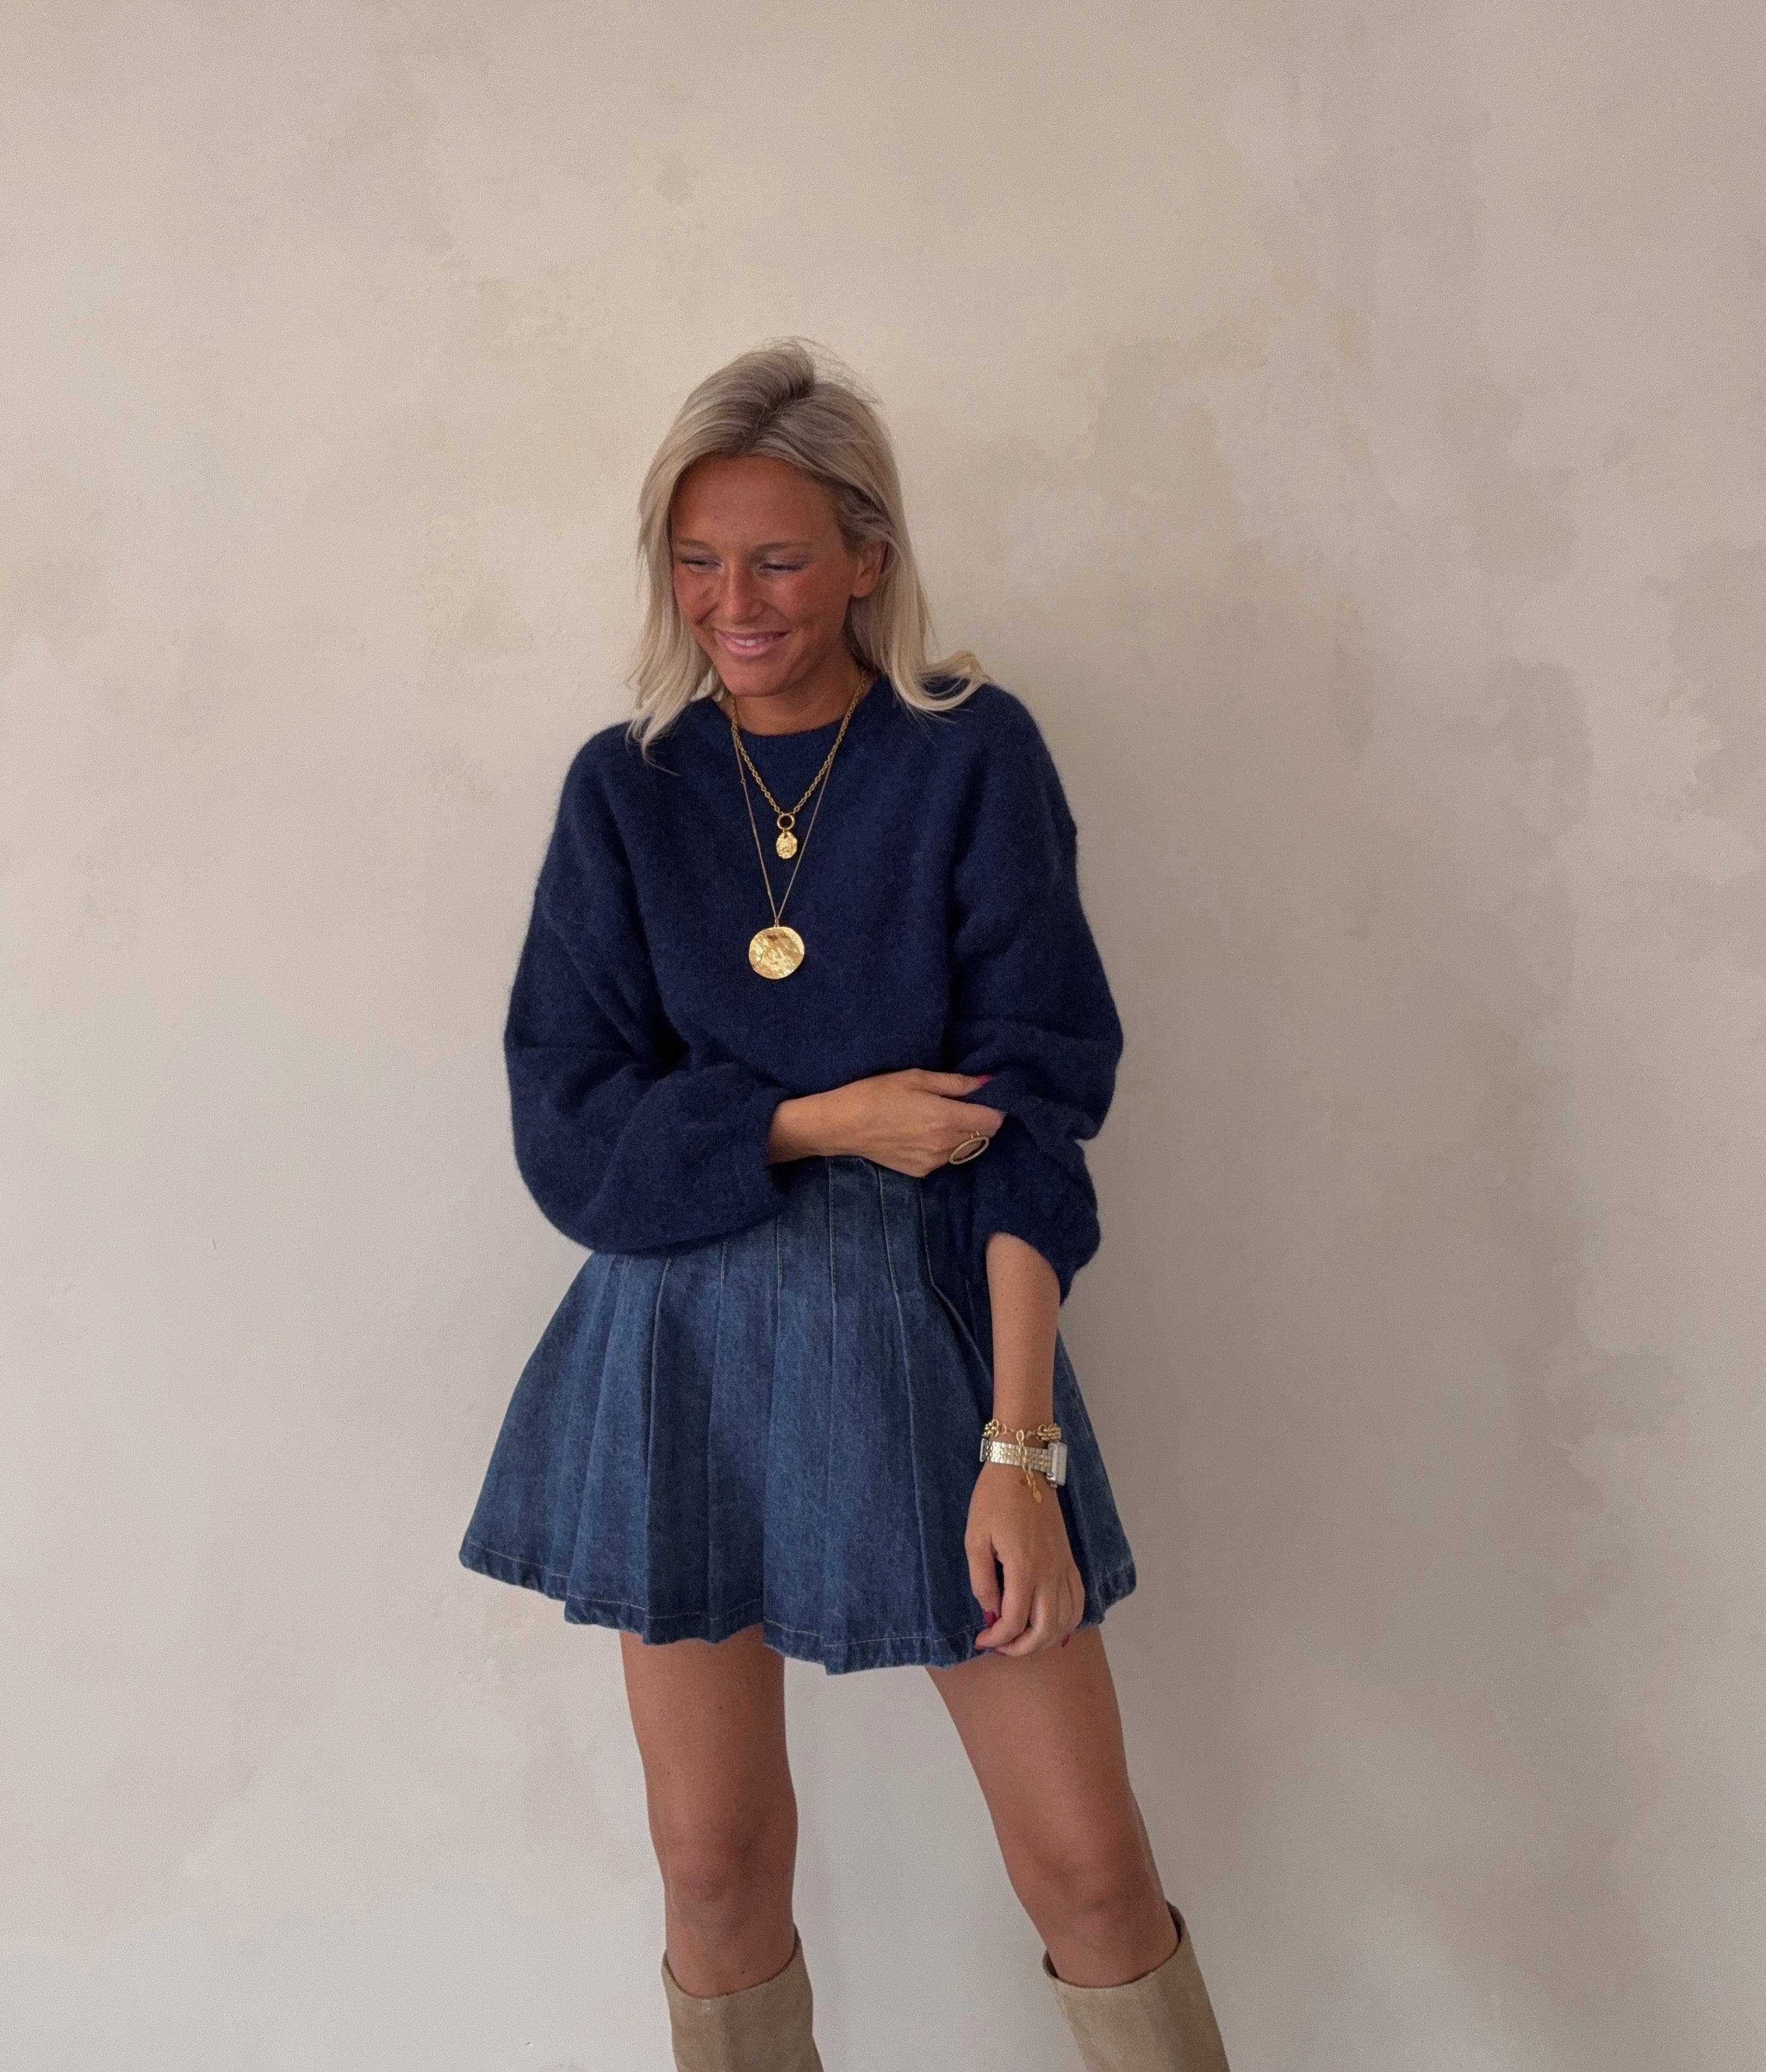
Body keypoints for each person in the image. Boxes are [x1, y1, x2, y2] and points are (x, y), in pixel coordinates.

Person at [459, 341, 1230, 2070]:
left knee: (1092, 1869)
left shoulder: (969, 758)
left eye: (778, 560)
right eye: (696, 560)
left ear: (869, 556)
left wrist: (1018, 1448)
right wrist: (827, 1120)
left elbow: (1031, 1117)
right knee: (713, 1866)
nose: (732, 603)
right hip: (677, 1349)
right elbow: (569, 1129)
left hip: (932, 1332)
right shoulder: (627, 786)